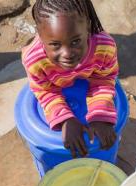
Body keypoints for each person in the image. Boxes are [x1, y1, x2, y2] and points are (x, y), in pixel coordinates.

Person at [21, 0, 118, 158]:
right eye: (55, 44)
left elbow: (104, 78)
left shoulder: (104, 47)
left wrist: (100, 116)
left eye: (75, 41)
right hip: (53, 85)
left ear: (87, 26)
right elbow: (44, 90)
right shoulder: (34, 60)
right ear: (39, 33)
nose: (67, 54)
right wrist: (65, 119)